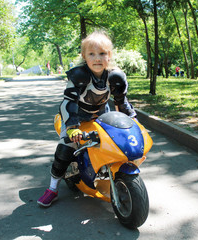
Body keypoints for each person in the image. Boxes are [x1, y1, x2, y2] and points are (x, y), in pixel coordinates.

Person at [37, 31, 137, 207]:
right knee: (66, 148)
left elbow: (121, 103)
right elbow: (68, 103)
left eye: (102, 54)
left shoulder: (115, 77)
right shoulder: (79, 76)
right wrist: (72, 127)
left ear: (109, 56)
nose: (97, 58)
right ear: (84, 56)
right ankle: (52, 188)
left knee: (120, 144)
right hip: (75, 118)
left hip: (101, 116)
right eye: (91, 54)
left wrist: (132, 121)